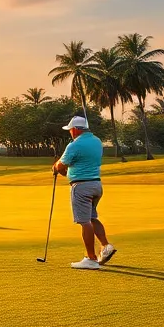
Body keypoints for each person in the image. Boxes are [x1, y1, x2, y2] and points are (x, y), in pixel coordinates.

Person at [54, 115, 116, 270]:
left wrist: (55, 168)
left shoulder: (74, 145)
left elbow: (61, 166)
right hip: (96, 184)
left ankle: (91, 258)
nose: (70, 132)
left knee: (84, 221)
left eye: (70, 130)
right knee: (92, 217)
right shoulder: (96, 141)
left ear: (75, 129)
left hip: (81, 186)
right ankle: (106, 246)